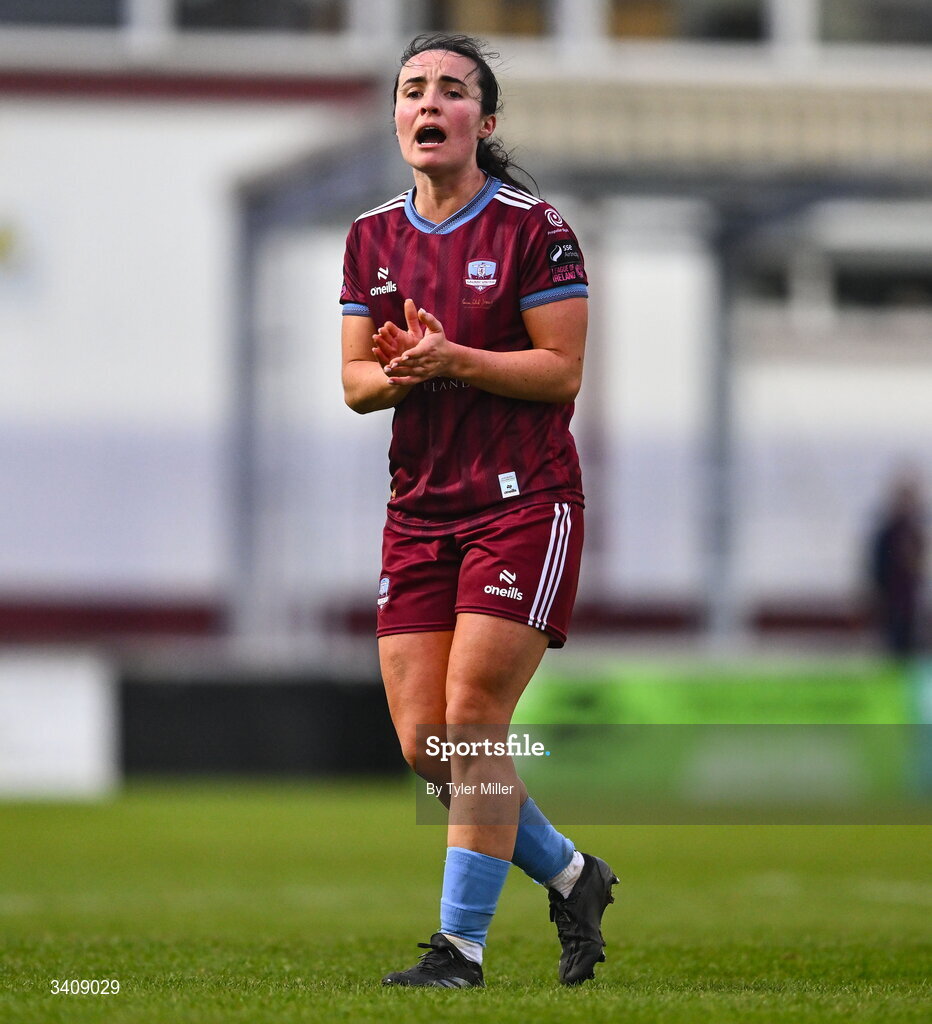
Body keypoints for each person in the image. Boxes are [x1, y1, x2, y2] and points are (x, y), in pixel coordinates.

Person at [340, 33, 617, 988]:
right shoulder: (371, 237)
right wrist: (403, 373)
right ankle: (574, 874)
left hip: (521, 503)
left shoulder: (535, 228)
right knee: (429, 747)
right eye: (412, 89)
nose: (429, 103)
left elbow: (562, 371)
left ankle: (459, 950)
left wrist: (454, 358)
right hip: (418, 511)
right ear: (396, 118)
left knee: (473, 719)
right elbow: (353, 383)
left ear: (482, 123)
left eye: (451, 91)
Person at [868, 473, 926, 657]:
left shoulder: (915, 531)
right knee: (893, 644)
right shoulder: (888, 533)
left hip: (912, 602)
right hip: (891, 600)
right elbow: (878, 567)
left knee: (912, 646)